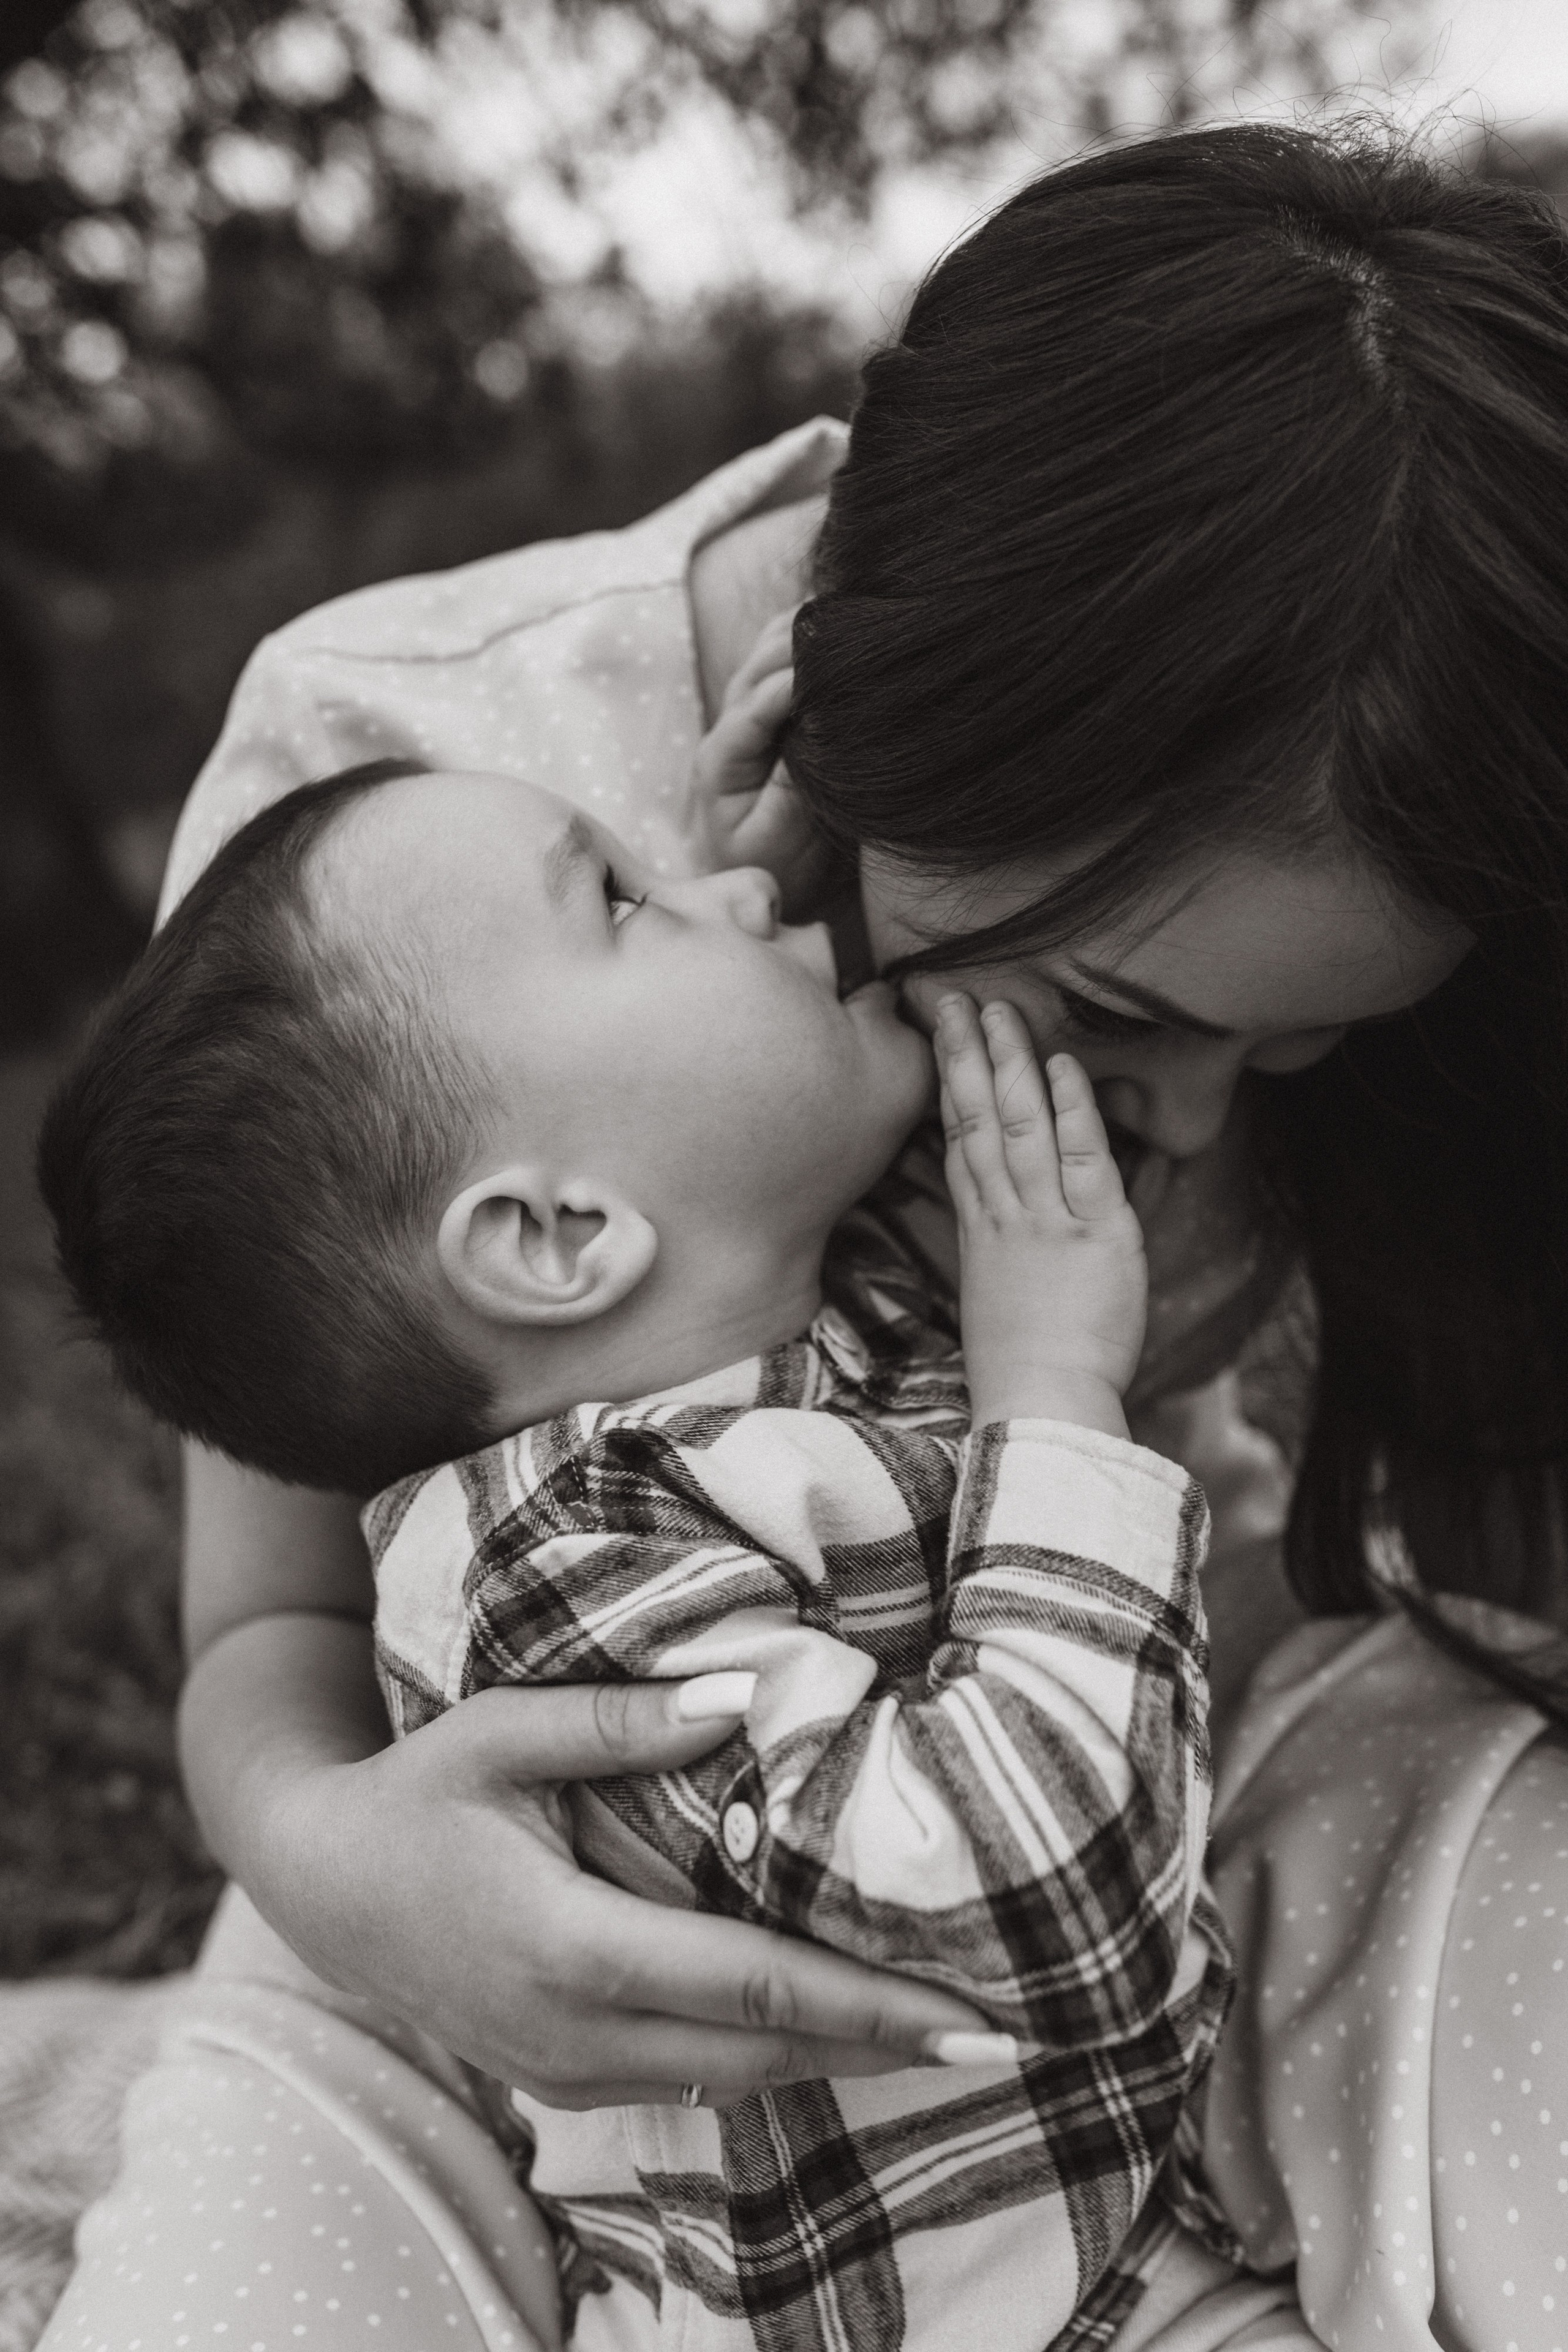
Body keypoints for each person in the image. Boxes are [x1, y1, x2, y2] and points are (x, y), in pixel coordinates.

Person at [31, 121, 1568, 2352]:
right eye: (1121, 1008)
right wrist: (345, 1869)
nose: (1200, 1115)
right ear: (854, 700)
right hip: (497, 1916)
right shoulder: (416, 802)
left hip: (1177, 1783)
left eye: (1308, 1047)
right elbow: (264, 1622)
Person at [39, 695, 1239, 2348]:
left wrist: (743, 997)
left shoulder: (779, 1324)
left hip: (1110, 2225)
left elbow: (703, 1147)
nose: (745, 897)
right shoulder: (577, 1578)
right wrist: (1054, 1389)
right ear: (551, 1235)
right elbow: (1047, 1896)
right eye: (624, 901)